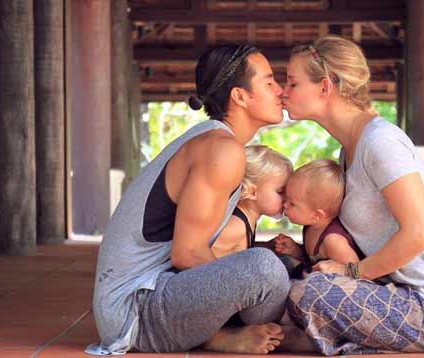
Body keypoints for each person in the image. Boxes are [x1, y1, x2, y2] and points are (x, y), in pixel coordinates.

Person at [281, 35, 424, 355]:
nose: (283, 92)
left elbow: (420, 234)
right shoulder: (349, 151)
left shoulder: (381, 143)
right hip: (391, 293)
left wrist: (352, 273)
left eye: (292, 83)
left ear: (325, 86)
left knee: (308, 294)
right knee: (282, 279)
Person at [87, 44, 290, 356]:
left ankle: (228, 334)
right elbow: (188, 254)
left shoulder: (215, 141)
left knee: (281, 263)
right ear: (240, 96)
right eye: (269, 82)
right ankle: (242, 334)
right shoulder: (221, 150)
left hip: (155, 296)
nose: (280, 90)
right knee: (265, 269)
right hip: (136, 313)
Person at [272, 159, 364, 277]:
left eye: (292, 203)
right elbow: (313, 260)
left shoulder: (333, 242)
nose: (285, 205)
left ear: (317, 215)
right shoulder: (310, 226)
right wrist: (296, 251)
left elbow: (358, 273)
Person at [212, 145, 292, 258]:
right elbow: (204, 258)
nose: (287, 198)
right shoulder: (236, 226)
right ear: (251, 192)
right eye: (280, 192)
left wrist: (266, 246)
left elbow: (235, 251)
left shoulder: (247, 219)